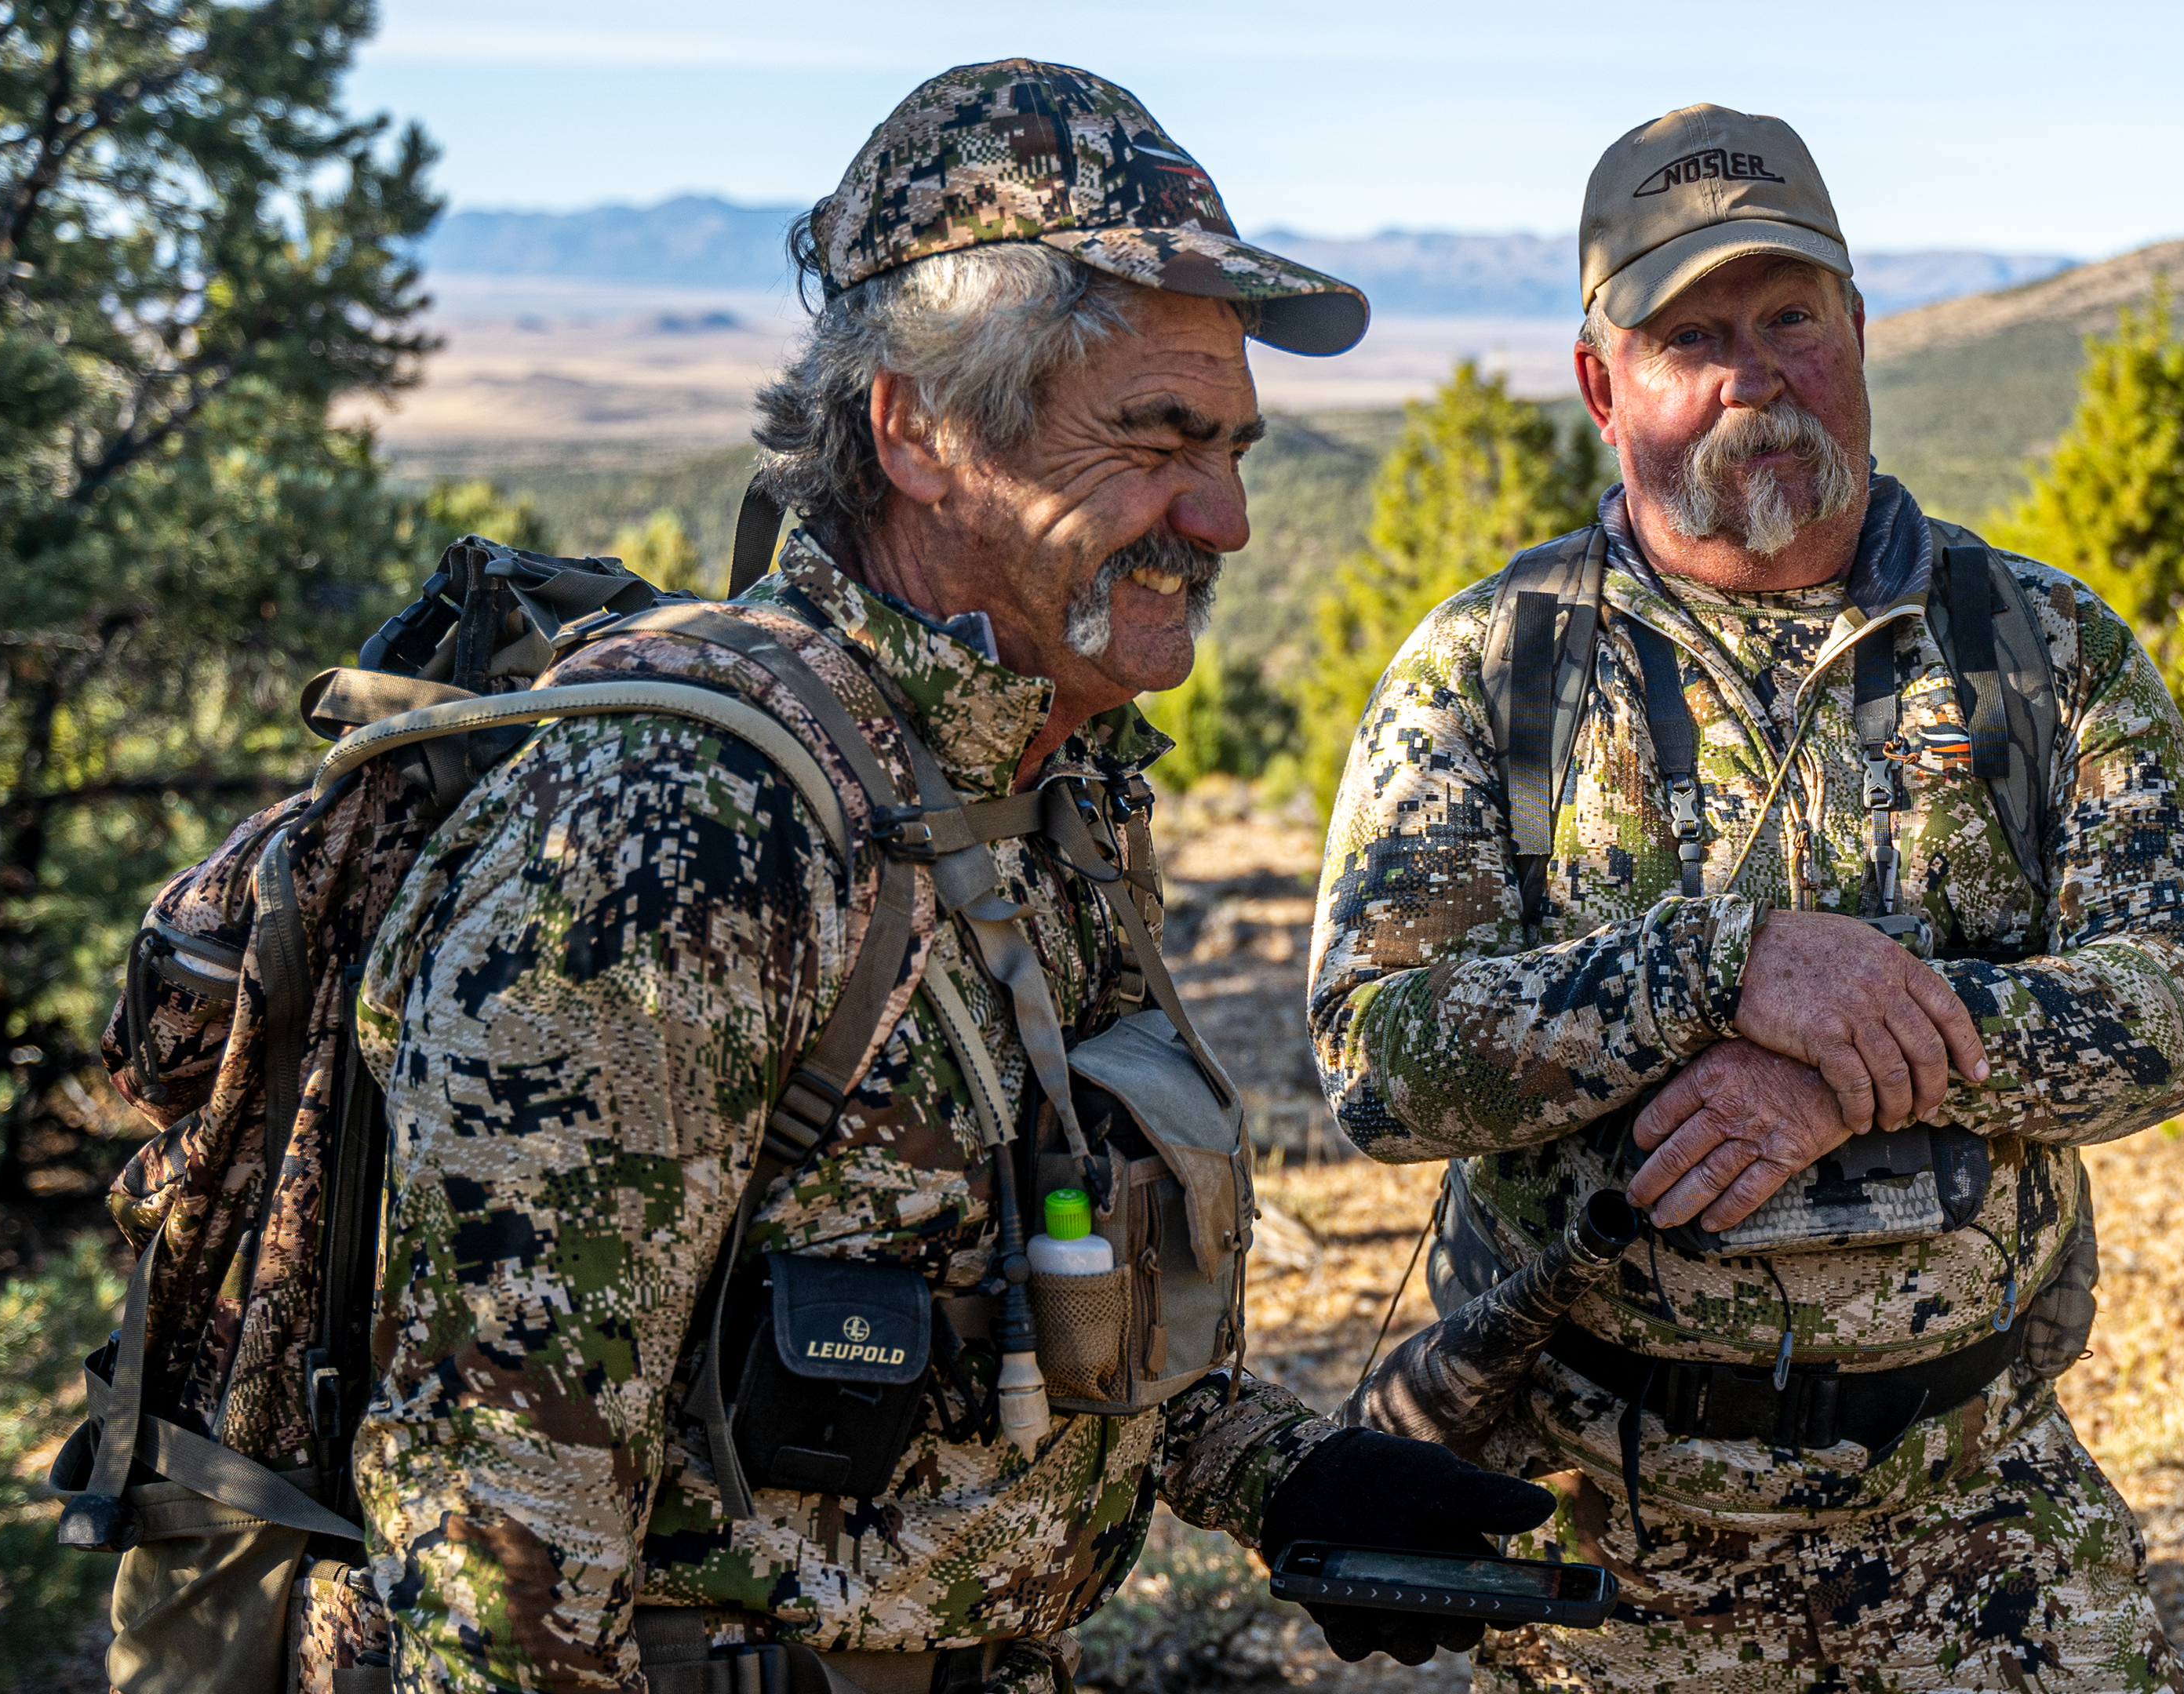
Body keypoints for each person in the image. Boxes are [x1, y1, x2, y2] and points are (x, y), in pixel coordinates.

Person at [354, 61, 1549, 1694]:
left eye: (1237, 446)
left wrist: (1282, 1478)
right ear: (915, 427)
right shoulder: (680, 834)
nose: (1225, 516)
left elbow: (1045, 1271)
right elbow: (493, 1529)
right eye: (1157, 437)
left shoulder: (1032, 788)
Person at [1310, 103, 2184, 1692]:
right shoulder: (1493, 668)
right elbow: (1378, 1059)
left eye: (1791, 316)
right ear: (1606, 386)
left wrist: (1854, 1055)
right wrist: (1712, 968)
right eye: (1693, 334)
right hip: (1609, 1552)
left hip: (1981, 1527)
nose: (1755, 371)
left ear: (1861, 334)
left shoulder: (2040, 647)